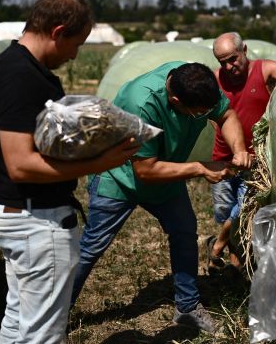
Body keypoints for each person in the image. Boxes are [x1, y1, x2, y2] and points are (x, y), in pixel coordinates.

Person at [0, 0, 140, 344]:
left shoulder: (14, 65)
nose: (74, 54)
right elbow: (21, 164)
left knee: (19, 317)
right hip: (36, 223)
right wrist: (100, 162)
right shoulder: (22, 76)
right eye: (76, 43)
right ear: (57, 32)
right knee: (43, 335)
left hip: (17, 213)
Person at [70, 61, 251, 333]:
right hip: (120, 178)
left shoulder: (196, 83)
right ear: (175, 99)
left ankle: (187, 307)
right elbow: (145, 169)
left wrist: (238, 149)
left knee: (184, 231)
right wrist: (200, 168)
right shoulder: (141, 105)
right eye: (198, 113)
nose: (204, 115)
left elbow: (227, 116)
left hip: (167, 172)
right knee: (90, 248)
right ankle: (56, 313)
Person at [208, 32, 276, 270]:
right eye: (222, 62)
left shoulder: (266, 70)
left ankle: (217, 245)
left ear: (244, 50)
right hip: (223, 158)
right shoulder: (216, 79)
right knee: (225, 212)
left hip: (256, 161)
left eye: (232, 59)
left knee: (244, 209)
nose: (228, 66)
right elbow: (210, 113)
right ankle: (237, 270)